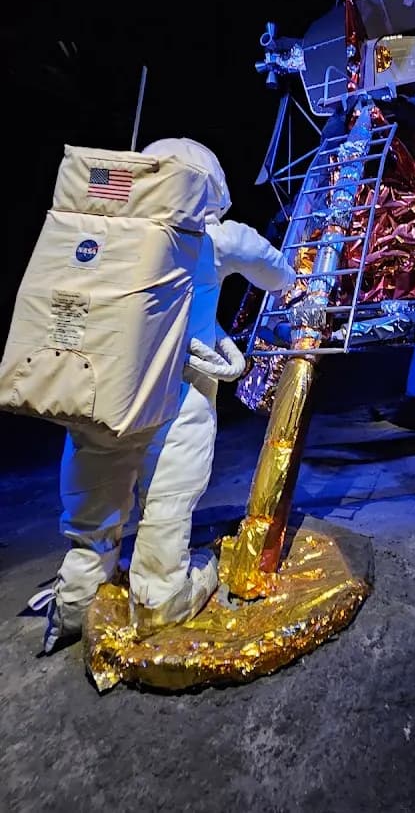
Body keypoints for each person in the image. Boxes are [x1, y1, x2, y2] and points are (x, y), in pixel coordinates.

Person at [29, 137, 296, 652]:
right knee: (167, 505)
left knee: (93, 510)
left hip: (98, 387)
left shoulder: (103, 236)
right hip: (178, 397)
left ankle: (76, 600)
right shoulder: (218, 239)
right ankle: (160, 595)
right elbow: (277, 274)